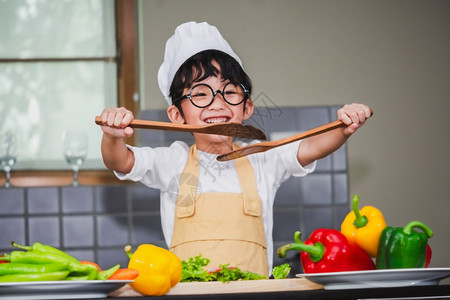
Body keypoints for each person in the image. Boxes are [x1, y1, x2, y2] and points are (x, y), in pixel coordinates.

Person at [98, 21, 372, 276]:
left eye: (229, 92)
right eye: (200, 94)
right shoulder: (174, 162)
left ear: (247, 107)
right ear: (176, 115)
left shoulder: (263, 157)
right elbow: (121, 161)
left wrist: (343, 128)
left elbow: (312, 146)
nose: (217, 104)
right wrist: (113, 135)